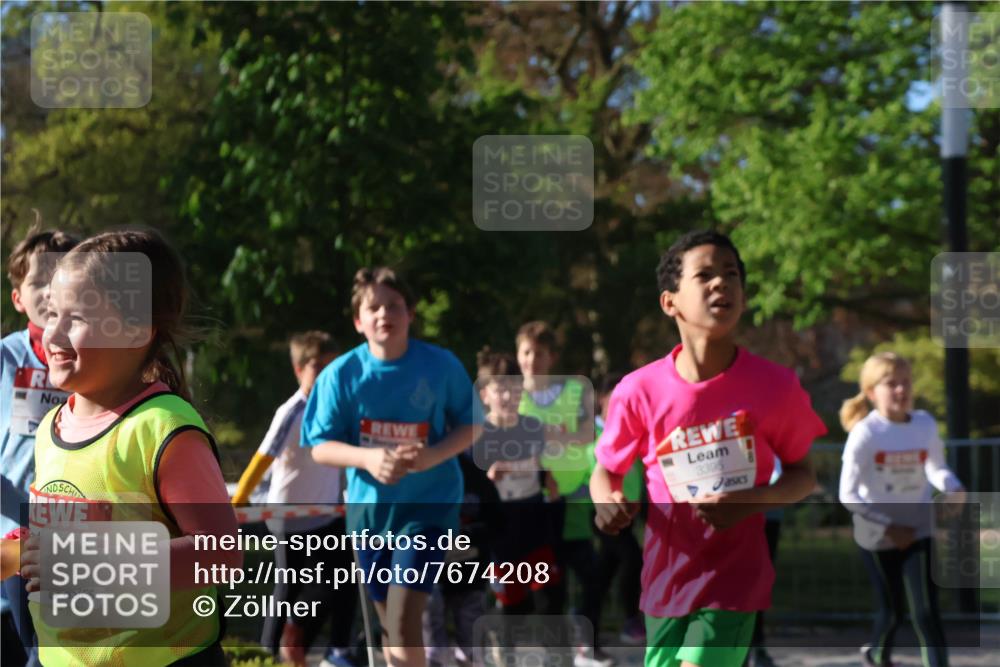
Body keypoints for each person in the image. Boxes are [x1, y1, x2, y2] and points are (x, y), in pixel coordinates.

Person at [590, 229, 827, 667]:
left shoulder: (776, 386)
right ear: (670, 302)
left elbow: (803, 475)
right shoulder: (638, 390)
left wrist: (750, 501)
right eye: (704, 275)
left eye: (731, 274)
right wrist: (607, 502)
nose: (722, 282)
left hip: (734, 581)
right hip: (664, 580)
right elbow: (606, 470)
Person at [9, 229, 241, 666]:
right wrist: (21, 551)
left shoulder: (164, 427)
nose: (53, 333)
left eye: (76, 318)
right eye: (52, 313)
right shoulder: (49, 428)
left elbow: (220, 553)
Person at [303, 266, 481, 667]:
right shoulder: (341, 375)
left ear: (410, 314)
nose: (384, 313)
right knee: (389, 626)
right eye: (374, 307)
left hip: (428, 509)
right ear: (358, 320)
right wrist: (368, 458)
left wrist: (433, 455)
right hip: (370, 517)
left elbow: (472, 424)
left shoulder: (440, 365)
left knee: (402, 620)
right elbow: (319, 446)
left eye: (395, 305)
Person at [231, 330, 358, 667]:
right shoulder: (292, 411)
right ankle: (267, 654)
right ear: (299, 369)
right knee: (289, 587)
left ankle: (338, 651)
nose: (327, 375)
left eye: (333, 368)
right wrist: (237, 502)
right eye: (319, 367)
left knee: (344, 582)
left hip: (328, 514)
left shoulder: (339, 410)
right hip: (289, 520)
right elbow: (263, 458)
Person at [838, 352, 964, 667]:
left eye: (906, 382)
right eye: (891, 383)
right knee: (893, 612)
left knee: (926, 611)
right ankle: (877, 655)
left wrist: (953, 487)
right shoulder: (866, 433)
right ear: (871, 392)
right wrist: (888, 527)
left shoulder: (924, 424)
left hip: (918, 528)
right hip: (877, 534)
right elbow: (847, 494)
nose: (901, 390)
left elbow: (936, 466)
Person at [1, 226, 78, 667]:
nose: (49, 292)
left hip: (74, 532)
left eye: (60, 279)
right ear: (17, 298)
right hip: (10, 531)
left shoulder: (100, 356)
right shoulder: (6, 357)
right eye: (37, 282)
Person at [515, 322, 602, 663]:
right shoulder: (511, 399)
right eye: (526, 352)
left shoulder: (572, 393)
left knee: (591, 576)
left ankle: (587, 643)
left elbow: (586, 434)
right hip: (532, 505)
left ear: (551, 357)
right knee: (548, 586)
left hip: (573, 499)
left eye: (539, 353)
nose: (531, 360)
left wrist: (550, 436)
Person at [590, 373, 645, 648]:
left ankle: (585, 623)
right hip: (600, 510)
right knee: (632, 558)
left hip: (628, 511)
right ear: (602, 399)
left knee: (602, 574)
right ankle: (631, 619)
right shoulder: (591, 432)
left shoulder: (633, 431)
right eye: (616, 398)